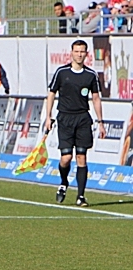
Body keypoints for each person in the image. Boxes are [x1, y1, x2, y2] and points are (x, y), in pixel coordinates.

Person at [44, 40, 106, 207]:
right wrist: (48, 116)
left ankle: (81, 196)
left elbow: (95, 98)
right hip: (64, 118)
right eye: (77, 51)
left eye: (82, 51)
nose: (79, 54)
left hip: (83, 119)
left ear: (86, 54)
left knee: (81, 157)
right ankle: (64, 181)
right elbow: (51, 94)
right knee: (66, 158)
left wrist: (100, 122)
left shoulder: (91, 75)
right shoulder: (62, 72)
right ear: (71, 53)